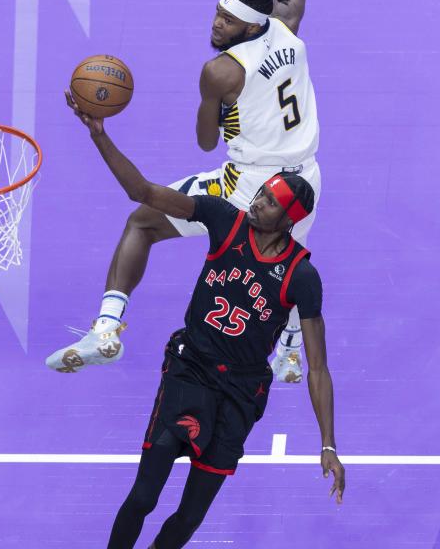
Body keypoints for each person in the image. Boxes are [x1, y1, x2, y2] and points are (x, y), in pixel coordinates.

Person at [52, 97, 344, 548]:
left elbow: (319, 368)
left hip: (242, 393)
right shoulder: (222, 218)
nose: (257, 201)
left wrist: (328, 444)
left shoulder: (301, 276)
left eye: (268, 202)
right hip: (190, 370)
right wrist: (100, 136)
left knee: (188, 517)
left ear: (289, 220)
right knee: (144, 496)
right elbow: (144, 194)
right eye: (261, 192)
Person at [47, 0, 321, 382]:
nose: (217, 25)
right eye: (217, 13)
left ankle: (107, 330)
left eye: (228, 22)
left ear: (251, 27)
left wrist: (216, 111)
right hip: (303, 177)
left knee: (143, 222)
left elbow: (204, 141)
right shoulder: (287, 27)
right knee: (288, 258)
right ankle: (292, 352)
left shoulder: (222, 71)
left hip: (251, 184)